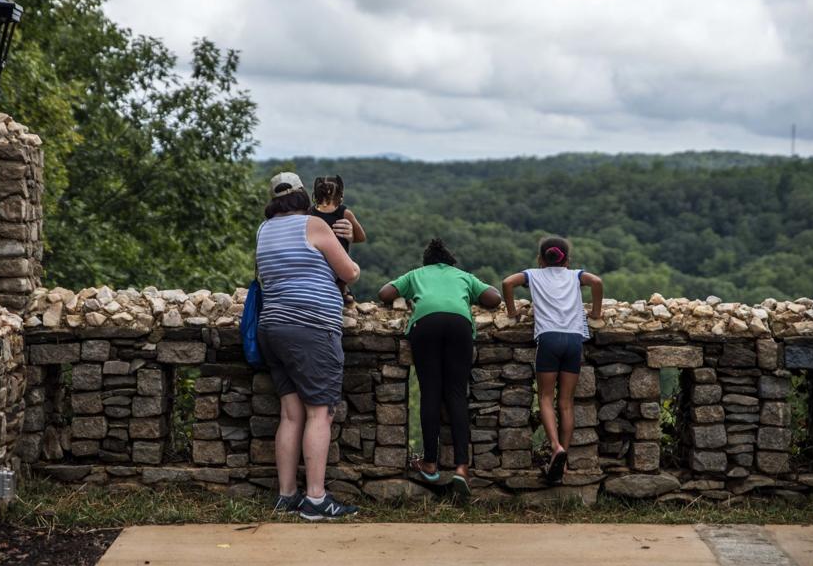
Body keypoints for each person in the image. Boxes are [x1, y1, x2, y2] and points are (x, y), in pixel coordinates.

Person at [256, 172, 361, 520]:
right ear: (302, 195)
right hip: (311, 328)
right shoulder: (313, 225)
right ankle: (315, 499)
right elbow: (349, 272)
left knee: (290, 413)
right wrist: (345, 244)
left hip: (271, 327)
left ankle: (286, 496)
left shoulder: (263, 230)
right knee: (320, 412)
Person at [378, 238, 501, 502]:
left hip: (426, 325)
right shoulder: (463, 276)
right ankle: (461, 468)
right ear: (449, 262)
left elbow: (384, 293)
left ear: (427, 262)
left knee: (431, 393)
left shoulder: (416, 275)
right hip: (459, 326)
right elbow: (494, 297)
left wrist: (409, 291)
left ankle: (430, 463)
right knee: (456, 395)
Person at [501, 236, 602, 484]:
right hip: (574, 340)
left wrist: (512, 312)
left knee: (545, 397)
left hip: (548, 339)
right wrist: (596, 312)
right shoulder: (576, 275)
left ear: (540, 259)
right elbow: (597, 282)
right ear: (566, 259)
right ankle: (563, 461)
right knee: (566, 402)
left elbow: (507, 283)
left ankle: (555, 446)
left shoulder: (533, 274)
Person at [309, 175, 367, 304]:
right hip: (332, 267)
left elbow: (360, 236)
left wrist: (350, 236)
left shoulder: (310, 213)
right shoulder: (344, 213)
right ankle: (341, 288)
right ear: (340, 195)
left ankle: (341, 287)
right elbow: (362, 237)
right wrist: (351, 237)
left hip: (324, 265)